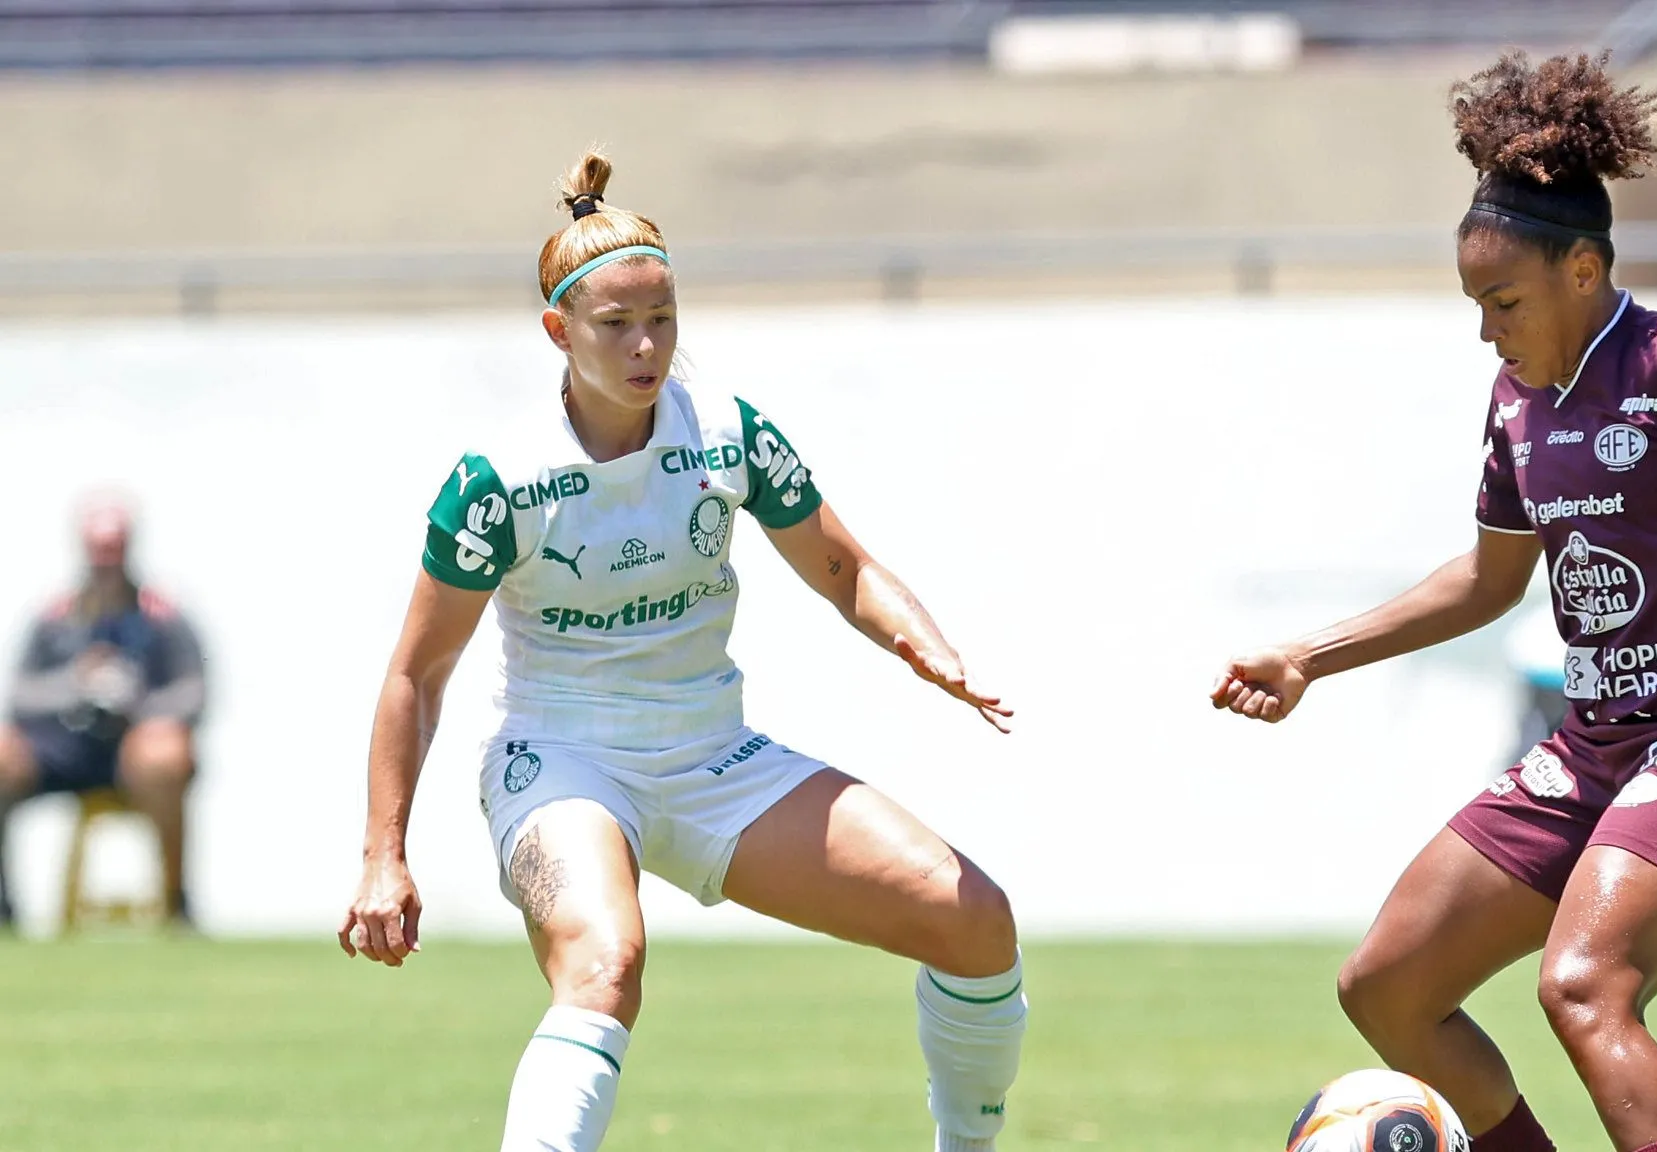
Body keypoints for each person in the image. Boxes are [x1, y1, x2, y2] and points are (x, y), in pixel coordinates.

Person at [1210, 50, 1657, 1152]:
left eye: (1502, 301)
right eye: (1475, 305)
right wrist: (1310, 655)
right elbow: (1487, 581)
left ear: (1582, 270)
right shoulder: (1515, 401)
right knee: (1386, 985)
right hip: (1591, 752)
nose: (1487, 329)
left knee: (1581, 986)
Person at [336, 150, 1025, 1152]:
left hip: (713, 759)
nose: (645, 345)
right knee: (605, 965)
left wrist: (928, 647)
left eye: (661, 319)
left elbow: (847, 570)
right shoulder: (499, 480)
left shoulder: (726, 436)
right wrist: (381, 857)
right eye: (615, 325)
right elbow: (415, 673)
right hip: (561, 763)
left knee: (975, 920)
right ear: (556, 330)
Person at [0, 495, 206, 930]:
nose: (105, 563)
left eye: (114, 551)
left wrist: (137, 702)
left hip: (134, 754)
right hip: (63, 747)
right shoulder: (53, 617)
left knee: (164, 753)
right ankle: (5, 907)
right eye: (98, 551)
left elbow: (194, 694)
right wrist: (75, 685)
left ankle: (176, 902)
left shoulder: (163, 618)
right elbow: (20, 696)